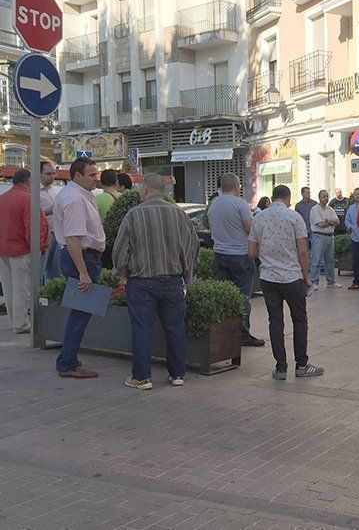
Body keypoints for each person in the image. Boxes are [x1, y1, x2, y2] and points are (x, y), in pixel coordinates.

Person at [112, 173, 198, 390]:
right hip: (172, 281)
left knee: (141, 329)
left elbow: (120, 250)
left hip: (141, 282)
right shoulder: (179, 214)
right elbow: (194, 245)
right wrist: (185, 271)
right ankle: (177, 374)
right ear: (164, 191)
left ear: (145, 190)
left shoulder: (133, 214)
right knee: (175, 328)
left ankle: (141, 377)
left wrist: (121, 271)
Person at [249, 185, 323, 380]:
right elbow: (303, 251)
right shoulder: (294, 217)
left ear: (272, 198)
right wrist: (307, 276)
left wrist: (267, 257)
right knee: (299, 320)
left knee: (275, 321)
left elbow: (252, 251)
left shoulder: (259, 218)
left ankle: (281, 368)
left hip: (268, 278)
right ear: (288, 198)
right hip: (292, 277)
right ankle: (301, 364)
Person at [53, 157, 104, 378]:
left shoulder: (79, 195)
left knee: (81, 312)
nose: (96, 178)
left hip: (83, 257)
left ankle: (68, 359)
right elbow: (73, 238)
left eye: (96, 174)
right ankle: (67, 363)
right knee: (80, 313)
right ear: (77, 175)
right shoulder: (74, 199)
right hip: (82, 258)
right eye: (91, 175)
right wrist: (83, 272)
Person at [208, 173, 264, 347]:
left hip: (220, 254)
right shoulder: (239, 204)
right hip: (240, 255)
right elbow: (250, 228)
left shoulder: (213, 206)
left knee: (225, 296)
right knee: (242, 297)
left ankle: (225, 333)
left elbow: (212, 230)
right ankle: (243, 335)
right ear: (236, 186)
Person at [0, 169, 49, 334]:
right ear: (28, 182)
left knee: (9, 288)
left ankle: (15, 320)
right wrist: (39, 248)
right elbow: (33, 228)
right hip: (22, 250)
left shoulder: (2, 198)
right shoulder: (28, 199)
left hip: (3, 249)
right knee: (22, 289)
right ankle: (21, 324)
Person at [306, 190, 342, 291]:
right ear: (319, 197)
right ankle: (313, 282)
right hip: (318, 236)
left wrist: (327, 221)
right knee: (316, 261)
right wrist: (331, 222)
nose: (325, 198)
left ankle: (331, 282)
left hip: (330, 236)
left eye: (327, 196)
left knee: (330, 261)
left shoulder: (330, 209)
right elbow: (320, 225)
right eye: (323, 196)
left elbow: (337, 221)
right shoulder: (315, 209)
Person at [40, 161, 61, 282]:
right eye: (48, 174)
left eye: (53, 173)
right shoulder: (34, 192)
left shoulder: (52, 190)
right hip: (43, 236)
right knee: (41, 268)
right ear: (39, 174)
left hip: (55, 233)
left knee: (54, 270)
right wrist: (48, 211)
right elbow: (32, 215)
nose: (52, 177)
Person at [344, 188, 359, 290]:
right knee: (355, 261)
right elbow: (347, 221)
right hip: (354, 238)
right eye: (356, 194)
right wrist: (350, 227)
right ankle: (356, 282)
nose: (357, 196)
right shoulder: (351, 209)